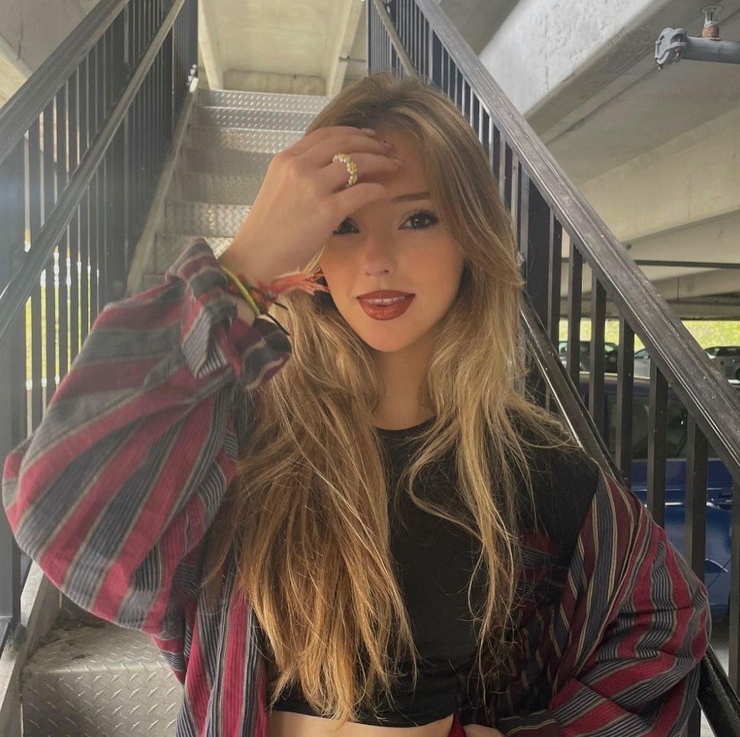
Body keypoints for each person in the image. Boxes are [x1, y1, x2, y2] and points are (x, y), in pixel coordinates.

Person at [3, 74, 709, 737]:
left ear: (471, 240)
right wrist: (241, 269)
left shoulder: (532, 473)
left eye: (418, 218)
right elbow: (60, 514)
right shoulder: (239, 445)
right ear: (311, 249)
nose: (376, 259)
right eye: (344, 225)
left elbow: (664, 623)